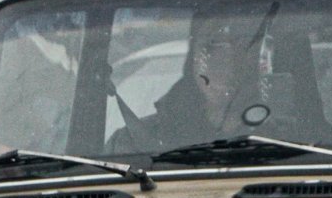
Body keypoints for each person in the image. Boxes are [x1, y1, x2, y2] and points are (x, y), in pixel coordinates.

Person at [109, 11, 267, 155]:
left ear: (255, 58)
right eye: (211, 47)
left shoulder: (284, 139)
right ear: (193, 58)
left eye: (242, 46)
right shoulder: (131, 144)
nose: (226, 61)